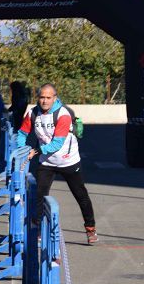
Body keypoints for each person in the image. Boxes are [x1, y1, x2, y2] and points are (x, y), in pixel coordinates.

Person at [16, 84, 98, 244]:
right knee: (39, 195)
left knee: (81, 195)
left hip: (68, 160)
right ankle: (37, 231)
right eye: (42, 97)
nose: (45, 101)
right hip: (47, 162)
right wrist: (23, 149)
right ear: (37, 98)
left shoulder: (63, 114)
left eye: (48, 98)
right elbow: (22, 133)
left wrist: (35, 151)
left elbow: (56, 144)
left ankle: (90, 228)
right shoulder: (32, 113)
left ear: (55, 98)